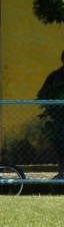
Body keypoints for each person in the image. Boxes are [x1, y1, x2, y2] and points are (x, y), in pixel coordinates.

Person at [36, 49, 64, 180]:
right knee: (60, 144)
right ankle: (62, 171)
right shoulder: (54, 76)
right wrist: (53, 106)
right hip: (60, 118)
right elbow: (42, 93)